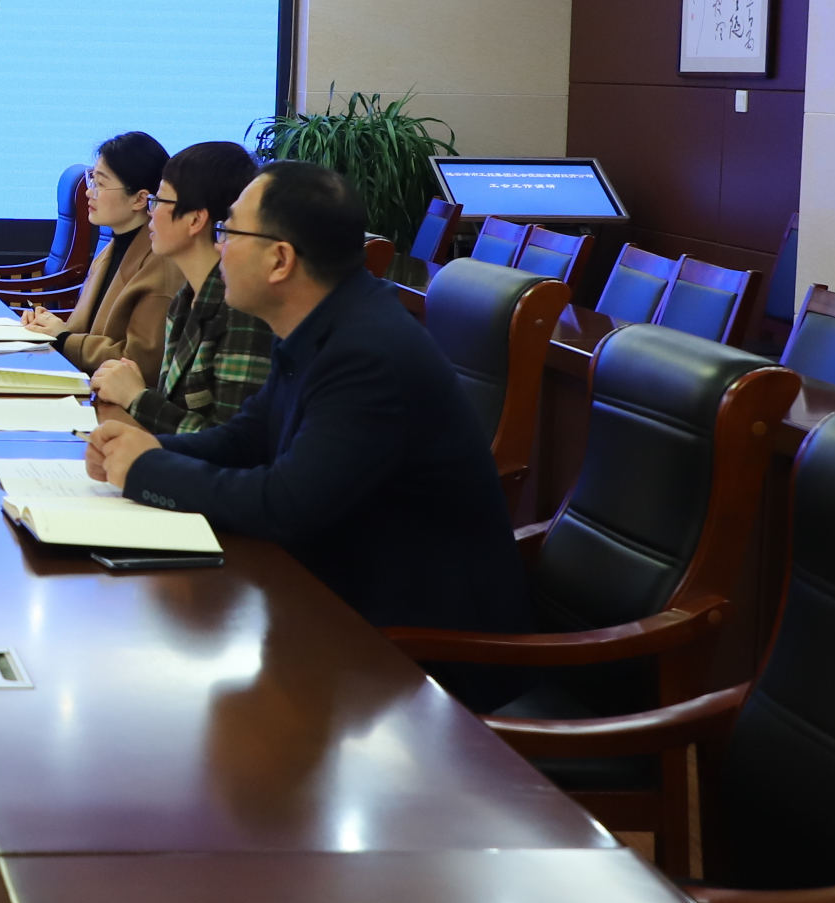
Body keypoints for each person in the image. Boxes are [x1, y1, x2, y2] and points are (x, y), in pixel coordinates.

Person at [84, 161, 525, 633]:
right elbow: (245, 439)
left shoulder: (366, 355)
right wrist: (144, 450)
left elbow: (284, 506)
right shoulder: (321, 320)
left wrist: (147, 469)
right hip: (335, 596)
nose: (218, 246)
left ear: (280, 260)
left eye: (229, 232)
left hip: (419, 641)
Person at [94, 141, 273, 438]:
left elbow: (232, 444)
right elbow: (175, 408)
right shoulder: (185, 297)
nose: (151, 212)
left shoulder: (242, 311)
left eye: (159, 200)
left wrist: (137, 398)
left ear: (195, 219)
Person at [14, 130, 176, 387]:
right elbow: (85, 329)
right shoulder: (111, 248)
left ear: (139, 199)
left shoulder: (162, 265)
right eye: (92, 179)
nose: (89, 193)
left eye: (100, 184)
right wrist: (48, 324)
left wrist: (63, 339)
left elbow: (138, 363)